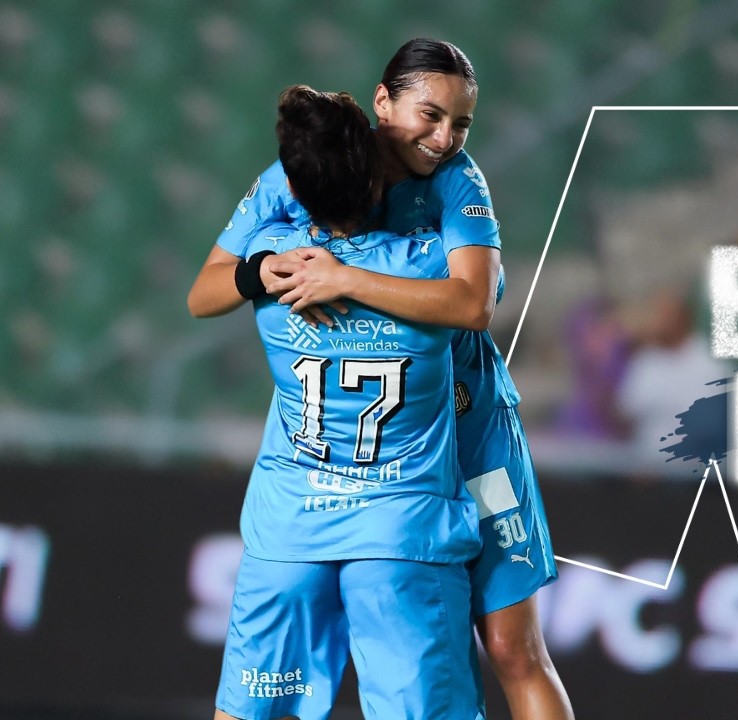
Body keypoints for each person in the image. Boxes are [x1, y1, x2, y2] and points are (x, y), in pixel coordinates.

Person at [188, 38, 573, 720]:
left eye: (461, 123)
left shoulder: (459, 180)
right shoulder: (302, 173)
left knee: (513, 648)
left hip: (474, 434)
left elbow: (474, 306)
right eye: (430, 115)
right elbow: (205, 291)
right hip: (381, 459)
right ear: (383, 104)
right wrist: (256, 272)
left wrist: (345, 279)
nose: (445, 139)